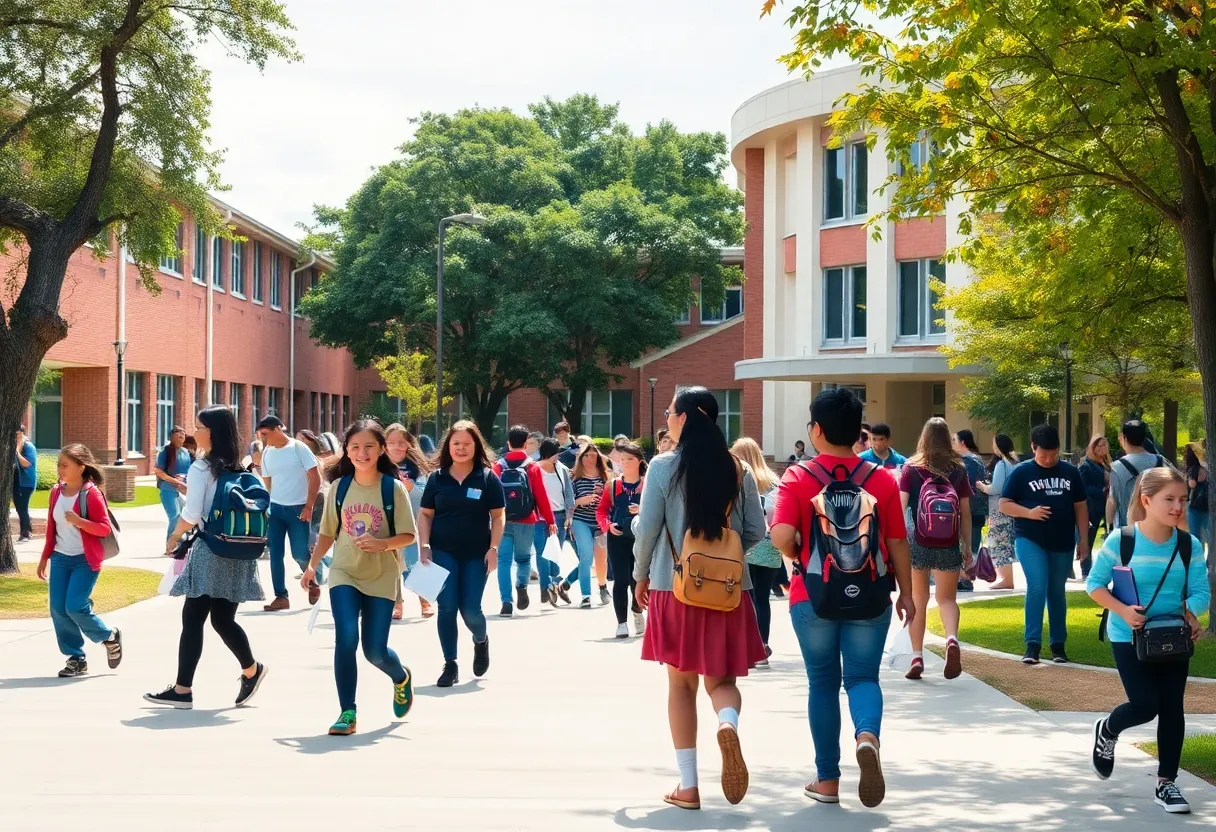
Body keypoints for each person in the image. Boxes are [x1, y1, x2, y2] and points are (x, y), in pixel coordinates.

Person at [771, 388, 914, 808]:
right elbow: (897, 541)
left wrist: (796, 550)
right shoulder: (881, 479)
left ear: (816, 430)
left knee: (823, 682)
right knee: (862, 678)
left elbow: (779, 534)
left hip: (812, 596)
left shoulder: (798, 477)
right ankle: (867, 736)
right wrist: (906, 593)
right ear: (859, 434)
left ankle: (827, 780)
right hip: (870, 593)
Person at [633, 386, 767, 810]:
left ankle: (688, 787)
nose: (668, 419)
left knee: (680, 685)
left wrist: (638, 575)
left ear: (687, 418)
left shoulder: (663, 466)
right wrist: (722, 558)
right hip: (729, 589)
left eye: (672, 412)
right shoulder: (738, 469)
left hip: (673, 586)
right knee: (721, 682)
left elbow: (648, 529)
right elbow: (755, 532)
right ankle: (727, 724)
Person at [1087, 467, 1210, 815]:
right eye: (1169, 499)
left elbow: (1200, 591)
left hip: (1174, 637)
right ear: (1146, 500)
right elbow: (1094, 585)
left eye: (1182, 499)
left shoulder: (1189, 545)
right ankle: (1108, 730)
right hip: (1128, 637)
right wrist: (1123, 612)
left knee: (1172, 706)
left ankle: (1166, 783)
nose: (1177, 507)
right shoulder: (1122, 540)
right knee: (1145, 704)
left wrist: (1192, 613)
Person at [301, 420, 418, 736]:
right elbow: (327, 533)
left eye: (369, 446)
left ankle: (400, 677)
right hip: (344, 572)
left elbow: (409, 534)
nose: (362, 453)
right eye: (355, 447)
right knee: (346, 638)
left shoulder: (391, 488)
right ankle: (347, 713)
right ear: (346, 451)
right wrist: (312, 568)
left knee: (374, 651)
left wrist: (382, 544)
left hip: (381, 575)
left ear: (381, 449)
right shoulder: (339, 488)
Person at [145, 406, 267, 709]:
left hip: (211, 549)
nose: (192, 431)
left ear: (209, 432)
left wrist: (174, 537)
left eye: (197, 426)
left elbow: (192, 514)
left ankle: (182, 690)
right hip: (238, 549)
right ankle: (251, 670)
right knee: (223, 619)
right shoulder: (238, 468)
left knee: (193, 618)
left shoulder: (202, 468)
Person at [417, 420, 504, 687]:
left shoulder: (487, 478)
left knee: (470, 609)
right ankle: (450, 664)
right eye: (456, 444)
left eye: (467, 443)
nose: (461, 448)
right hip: (443, 552)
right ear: (448, 447)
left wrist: (494, 548)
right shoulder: (437, 478)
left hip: (477, 554)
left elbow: (498, 516)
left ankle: (481, 640)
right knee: (447, 607)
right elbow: (425, 514)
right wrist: (424, 544)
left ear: (476, 445)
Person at [1000, 424, 1088, 664]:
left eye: (1053, 454)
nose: (1048, 459)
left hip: (1062, 540)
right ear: (1032, 448)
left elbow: (1080, 506)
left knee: (1056, 591)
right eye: (1043, 455)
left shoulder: (1070, 472)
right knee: (1037, 586)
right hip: (1030, 538)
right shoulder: (1021, 472)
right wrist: (1029, 512)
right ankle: (1033, 645)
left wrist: (1084, 541)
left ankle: (1058, 645)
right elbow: (1004, 504)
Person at [36, 444, 123, 677]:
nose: (60, 469)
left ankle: (109, 636)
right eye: (59, 465)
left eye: (65, 465)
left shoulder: (91, 493)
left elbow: (104, 528)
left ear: (81, 467)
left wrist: (79, 521)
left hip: (85, 560)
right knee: (58, 608)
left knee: (74, 606)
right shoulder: (56, 492)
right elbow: (52, 529)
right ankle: (76, 658)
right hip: (60, 558)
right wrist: (45, 557)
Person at [900, 418, 973, 680]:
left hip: (918, 541)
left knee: (919, 600)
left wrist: (898, 543)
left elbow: (901, 507)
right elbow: (965, 512)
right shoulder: (959, 469)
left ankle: (917, 656)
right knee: (947, 599)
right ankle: (951, 639)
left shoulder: (911, 468)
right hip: (948, 542)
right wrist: (967, 546)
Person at [257, 415, 322, 610]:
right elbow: (267, 481)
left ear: (278, 429)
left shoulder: (298, 448)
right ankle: (281, 597)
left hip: (298, 510)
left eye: (266, 434)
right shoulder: (267, 452)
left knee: (300, 554)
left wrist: (309, 506)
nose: (263, 438)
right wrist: (265, 506)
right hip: (275, 510)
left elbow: (315, 477)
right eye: (261, 435)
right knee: (275, 554)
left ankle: (312, 581)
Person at [492, 425, 557, 617]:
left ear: (508, 443)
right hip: (527, 519)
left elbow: (491, 495)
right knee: (523, 558)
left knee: (503, 561)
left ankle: (506, 601)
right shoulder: (532, 466)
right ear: (526, 441)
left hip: (502, 520)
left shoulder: (498, 466)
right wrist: (550, 519)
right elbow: (540, 495)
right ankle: (521, 584)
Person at [731, 437, 782, 666]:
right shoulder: (774, 481)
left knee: (745, 599)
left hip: (747, 545)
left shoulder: (738, 478)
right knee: (762, 598)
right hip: (771, 544)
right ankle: (763, 645)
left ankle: (747, 646)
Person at [598, 440, 648, 638]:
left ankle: (637, 610)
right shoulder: (613, 485)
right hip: (617, 537)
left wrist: (641, 511)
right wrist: (607, 525)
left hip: (641, 537)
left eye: (630, 459)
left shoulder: (648, 484)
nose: (625, 463)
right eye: (623, 459)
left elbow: (656, 511)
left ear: (639, 461)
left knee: (638, 578)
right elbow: (601, 511)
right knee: (620, 581)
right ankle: (621, 623)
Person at [386, 424, 434, 621]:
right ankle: (397, 603)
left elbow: (426, 496)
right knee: (392, 565)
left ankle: (425, 599)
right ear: (384, 445)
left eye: (401, 443)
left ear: (409, 445)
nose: (397, 447)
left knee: (416, 561)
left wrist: (410, 486)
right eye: (391, 443)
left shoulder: (417, 468)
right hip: (386, 522)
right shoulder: (377, 465)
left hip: (412, 522)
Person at [559, 441, 611, 608]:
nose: (590, 458)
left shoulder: (605, 476)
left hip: (600, 521)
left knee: (601, 560)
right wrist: (580, 501)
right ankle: (586, 595)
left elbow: (612, 498)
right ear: (580, 457)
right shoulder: (574, 476)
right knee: (586, 557)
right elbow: (568, 501)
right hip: (581, 521)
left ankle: (598, 587)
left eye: (594, 455)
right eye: (586, 455)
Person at [977, 434, 1019, 590]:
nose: (992, 447)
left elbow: (996, 488)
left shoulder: (1002, 464)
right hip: (1012, 508)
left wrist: (982, 486)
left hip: (999, 510)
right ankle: (1007, 578)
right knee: (1006, 543)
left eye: (994, 444)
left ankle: (1006, 579)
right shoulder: (1015, 463)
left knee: (999, 544)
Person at [536, 438, 575, 606]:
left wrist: (569, 516)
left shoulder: (562, 469)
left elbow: (569, 494)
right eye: (553, 454)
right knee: (542, 552)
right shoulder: (535, 469)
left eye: (557, 454)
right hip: (540, 517)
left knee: (555, 552)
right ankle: (546, 585)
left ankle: (553, 582)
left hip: (559, 516)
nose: (556, 457)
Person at [1109, 420, 1167, 530]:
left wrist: (1109, 527)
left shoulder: (1116, 467)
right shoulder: (1161, 461)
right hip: (1156, 527)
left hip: (1126, 529)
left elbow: (1112, 500)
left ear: (1124, 438)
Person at [952, 428, 987, 592]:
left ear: (962, 443)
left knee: (967, 545)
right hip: (978, 508)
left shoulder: (968, 461)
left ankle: (966, 579)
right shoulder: (978, 458)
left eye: (954, 440)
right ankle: (966, 577)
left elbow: (967, 484)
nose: (952, 444)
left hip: (970, 509)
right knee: (972, 543)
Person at [1079, 435, 1113, 580]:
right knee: (1088, 538)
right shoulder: (1086, 465)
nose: (1102, 448)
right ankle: (1086, 570)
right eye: (1099, 446)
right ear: (1092, 448)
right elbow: (1082, 488)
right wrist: (1102, 489)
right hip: (1092, 506)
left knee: (1110, 537)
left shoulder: (1108, 464)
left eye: (1104, 445)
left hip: (1108, 505)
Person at [154, 427, 192, 540]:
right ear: (171, 437)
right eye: (178, 435)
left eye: (183, 435)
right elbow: (159, 471)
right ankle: (170, 544)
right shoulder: (165, 452)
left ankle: (180, 542)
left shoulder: (186, 452)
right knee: (174, 517)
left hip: (182, 490)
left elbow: (189, 471)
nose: (181, 437)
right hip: (168, 489)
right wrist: (174, 481)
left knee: (185, 517)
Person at [12, 425, 37, 542]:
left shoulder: (28, 447)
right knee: (20, 508)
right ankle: (27, 530)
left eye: (18, 435)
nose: (16, 437)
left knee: (22, 508)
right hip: (17, 482)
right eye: (15, 435)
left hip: (26, 483)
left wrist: (17, 451)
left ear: (23, 434)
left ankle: (26, 533)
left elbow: (27, 463)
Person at [1184, 442, 1208, 546]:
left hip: (1194, 506)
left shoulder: (1194, 469)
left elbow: (1192, 484)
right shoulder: (1208, 468)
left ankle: (1197, 558)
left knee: (1194, 536)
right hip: (1208, 507)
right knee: (1209, 536)